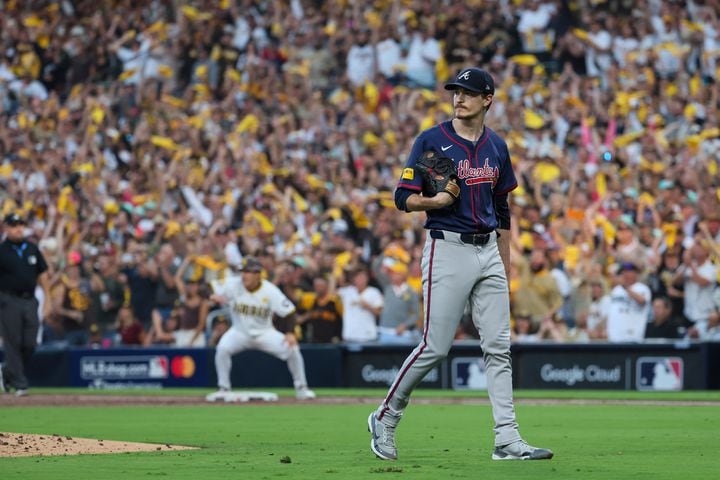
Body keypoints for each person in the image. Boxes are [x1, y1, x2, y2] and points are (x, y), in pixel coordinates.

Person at [368, 68, 553, 462]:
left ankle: (507, 438)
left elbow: (502, 206)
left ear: (487, 99)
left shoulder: (496, 146)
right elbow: (402, 197)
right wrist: (433, 203)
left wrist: (502, 260)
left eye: (468, 92)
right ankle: (385, 416)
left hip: (488, 250)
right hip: (447, 247)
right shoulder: (431, 141)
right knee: (435, 347)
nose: (459, 97)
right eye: (456, 91)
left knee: (499, 348)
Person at [207, 257, 316, 400]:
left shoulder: (270, 290)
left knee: (292, 349)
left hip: (265, 332)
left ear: (258, 274)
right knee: (222, 349)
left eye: (248, 272)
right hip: (239, 332)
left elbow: (289, 311)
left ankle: (302, 388)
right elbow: (207, 287)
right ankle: (223, 387)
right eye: (242, 271)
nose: (244, 275)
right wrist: (212, 295)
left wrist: (290, 333)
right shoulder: (233, 284)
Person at [0, 213, 52, 397]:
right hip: (8, 300)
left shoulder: (31, 248)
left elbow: (43, 273)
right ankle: (20, 383)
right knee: (13, 342)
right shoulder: (2, 250)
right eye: (14, 225)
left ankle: (7, 372)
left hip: (30, 300)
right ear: (6, 228)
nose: (19, 228)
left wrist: (48, 298)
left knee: (30, 342)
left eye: (21, 224)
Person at [606, 263, 652, 342]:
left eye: (628, 271)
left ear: (635, 273)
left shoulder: (642, 288)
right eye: (623, 272)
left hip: (632, 337)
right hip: (614, 338)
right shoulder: (616, 290)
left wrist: (625, 286)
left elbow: (642, 301)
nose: (625, 274)